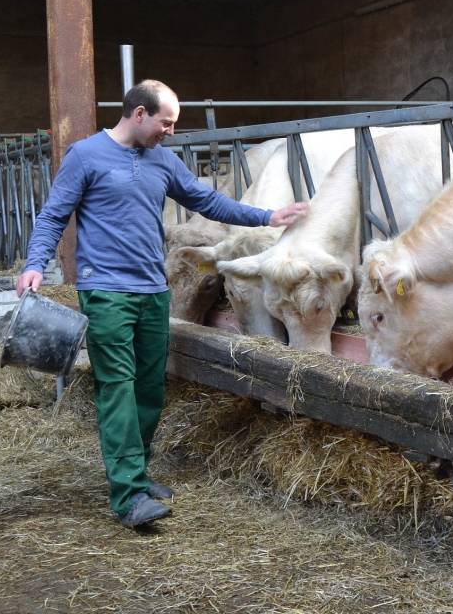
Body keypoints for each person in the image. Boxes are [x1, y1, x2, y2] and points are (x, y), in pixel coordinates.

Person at [17, 79, 307, 528]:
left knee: (150, 388)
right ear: (138, 114)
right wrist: (36, 263)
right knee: (116, 387)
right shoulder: (86, 156)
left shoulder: (161, 160)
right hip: (107, 291)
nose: (170, 131)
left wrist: (267, 216)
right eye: (165, 122)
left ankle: (138, 468)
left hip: (153, 290)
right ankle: (129, 495)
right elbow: (54, 215)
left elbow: (205, 200)